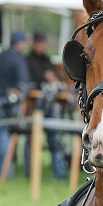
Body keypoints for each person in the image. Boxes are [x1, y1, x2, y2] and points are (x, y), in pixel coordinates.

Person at [0, 30, 31, 176]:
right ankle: (6, 172)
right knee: (7, 136)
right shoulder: (18, 59)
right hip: (11, 103)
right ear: (20, 43)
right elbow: (23, 83)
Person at [25, 32, 65, 180]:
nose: (41, 46)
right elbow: (33, 78)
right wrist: (45, 77)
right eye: (39, 43)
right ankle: (30, 171)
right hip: (34, 105)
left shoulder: (47, 59)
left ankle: (59, 172)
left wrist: (52, 77)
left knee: (55, 139)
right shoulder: (28, 60)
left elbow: (55, 76)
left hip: (49, 105)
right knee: (31, 139)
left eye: (43, 43)